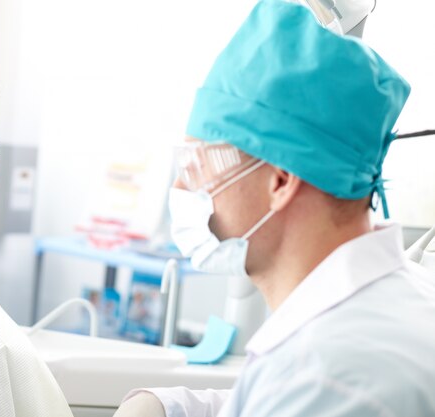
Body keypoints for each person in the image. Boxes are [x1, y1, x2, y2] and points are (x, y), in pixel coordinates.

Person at [114, 0, 435, 416]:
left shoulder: (331, 375)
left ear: (280, 181)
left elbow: (303, 390)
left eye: (198, 164)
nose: (181, 186)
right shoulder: (383, 311)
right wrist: (166, 406)